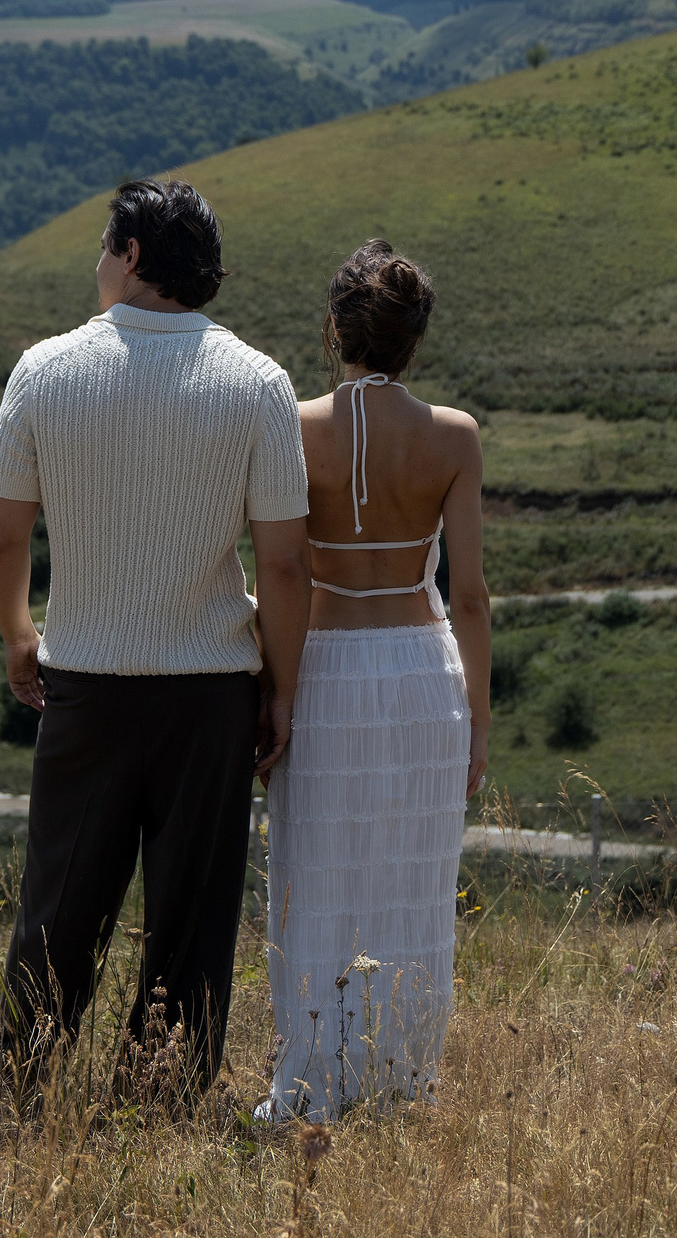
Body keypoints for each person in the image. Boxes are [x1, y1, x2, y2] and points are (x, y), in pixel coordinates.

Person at [0, 178, 312, 1102]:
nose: (97, 263)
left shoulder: (44, 371)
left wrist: (17, 633)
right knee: (192, 908)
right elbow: (284, 565)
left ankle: (25, 1079)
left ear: (130, 256)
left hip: (83, 676)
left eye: (101, 247)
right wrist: (279, 689)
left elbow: (4, 534)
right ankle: (162, 1090)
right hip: (211, 689)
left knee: (62, 898)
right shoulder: (259, 384)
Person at [260, 239, 489, 1121]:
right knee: (413, 881)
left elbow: (279, 568)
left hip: (321, 671)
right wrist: (480, 711)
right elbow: (466, 592)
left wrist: (273, 688)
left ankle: (313, 1080)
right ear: (415, 338)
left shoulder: (289, 423)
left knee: (314, 877)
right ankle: (400, 1079)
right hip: (421, 671)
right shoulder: (455, 436)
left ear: (333, 328)